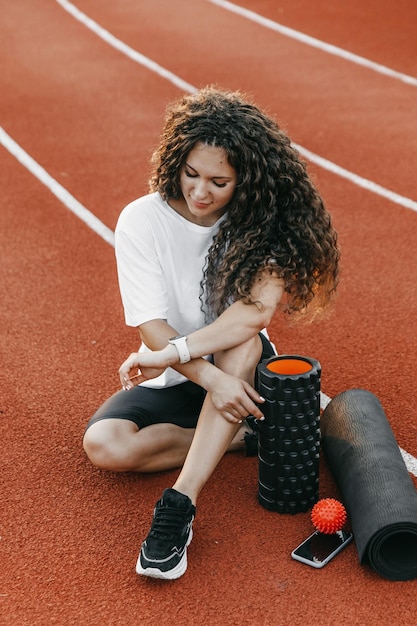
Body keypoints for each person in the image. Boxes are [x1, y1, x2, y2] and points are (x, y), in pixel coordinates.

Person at [83, 86, 340, 580]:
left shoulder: (266, 222)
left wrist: (202, 366)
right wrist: (206, 378)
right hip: (179, 368)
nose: (200, 193)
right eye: (191, 174)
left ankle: (180, 503)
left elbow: (251, 317)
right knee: (105, 447)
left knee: (240, 345)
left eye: (219, 182)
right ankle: (248, 435)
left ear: (247, 182)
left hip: (231, 361)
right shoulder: (141, 220)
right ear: (175, 162)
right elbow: (151, 326)